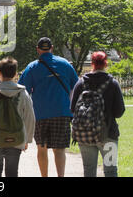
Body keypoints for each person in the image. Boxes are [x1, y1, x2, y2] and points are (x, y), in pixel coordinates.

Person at [18, 37, 79, 177]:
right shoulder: (65, 64)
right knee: (59, 150)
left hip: (40, 114)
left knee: (42, 149)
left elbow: (23, 90)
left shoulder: (32, 67)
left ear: (38, 50)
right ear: (52, 48)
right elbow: (76, 86)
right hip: (62, 111)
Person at [70, 51, 125, 177]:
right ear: (106, 63)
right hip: (108, 133)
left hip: (85, 134)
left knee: (89, 170)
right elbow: (119, 111)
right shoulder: (112, 83)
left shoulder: (81, 83)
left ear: (92, 63)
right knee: (110, 170)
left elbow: (73, 109)